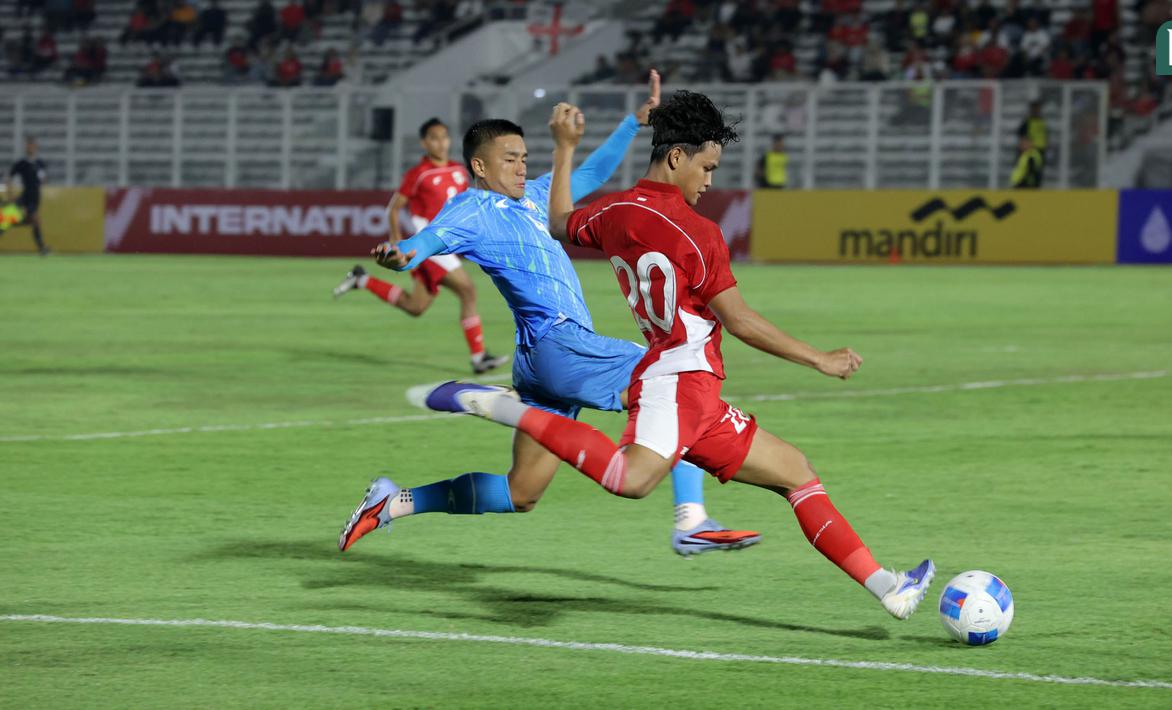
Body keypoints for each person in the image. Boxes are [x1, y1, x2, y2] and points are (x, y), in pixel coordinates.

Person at [408, 91, 936, 620]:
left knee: (796, 472)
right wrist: (820, 358)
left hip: (697, 388)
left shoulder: (614, 212)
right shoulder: (698, 232)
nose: (709, 181)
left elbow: (560, 221)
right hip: (679, 377)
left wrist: (564, 149)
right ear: (677, 157)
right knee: (632, 480)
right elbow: (742, 321)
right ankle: (505, 407)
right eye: (706, 167)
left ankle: (887, 586)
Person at [337, 71, 761, 558]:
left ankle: (394, 502)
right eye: (509, 159)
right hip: (559, 345)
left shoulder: (537, 196)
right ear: (479, 165)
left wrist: (631, 123)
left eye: (523, 157)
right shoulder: (471, 210)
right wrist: (400, 255)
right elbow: (423, 244)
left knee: (522, 493)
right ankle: (692, 519)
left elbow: (592, 174)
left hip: (540, 361)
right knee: (672, 376)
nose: (520, 167)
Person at [334, 117, 508, 375]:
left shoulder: (459, 171)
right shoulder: (418, 174)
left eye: (444, 137)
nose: (441, 142)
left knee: (416, 306)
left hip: (449, 245)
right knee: (468, 290)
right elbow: (394, 208)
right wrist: (395, 240)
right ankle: (479, 357)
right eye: (434, 138)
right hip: (429, 244)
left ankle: (362, 280)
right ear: (424, 143)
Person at [6, 136, 50, 255]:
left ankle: (42, 247)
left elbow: (44, 180)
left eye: (32, 145)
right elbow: (9, 177)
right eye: (28, 145)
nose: (30, 147)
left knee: (32, 220)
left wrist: (43, 179)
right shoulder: (22, 163)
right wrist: (10, 194)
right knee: (7, 219)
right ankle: (42, 248)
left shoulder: (40, 163)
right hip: (25, 197)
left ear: (35, 147)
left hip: (35, 197)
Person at [1016, 100, 1048, 183]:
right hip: (1030, 152)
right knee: (1028, 173)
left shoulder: (1042, 122)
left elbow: (1045, 136)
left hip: (1040, 152)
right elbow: (1021, 135)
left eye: (1038, 108)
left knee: (1038, 174)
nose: (1037, 110)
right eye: (1035, 108)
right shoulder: (1028, 122)